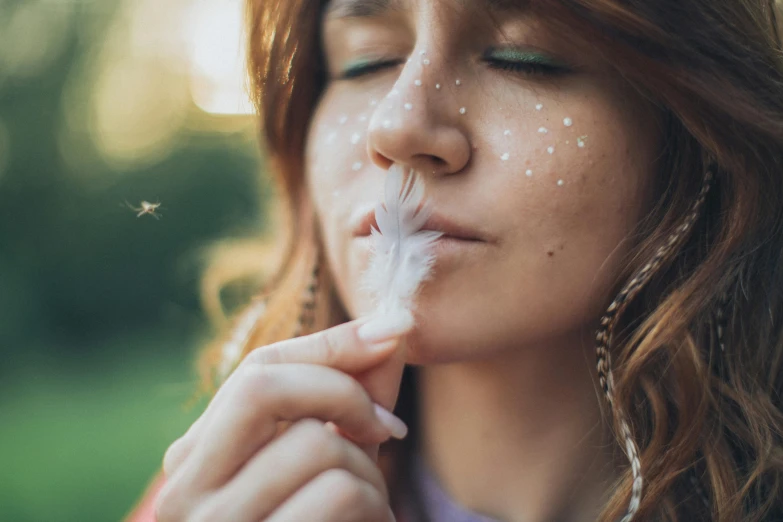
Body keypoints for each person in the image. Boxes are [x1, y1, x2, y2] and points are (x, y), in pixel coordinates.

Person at [125, 0, 783, 520]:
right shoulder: (219, 501)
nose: (398, 125)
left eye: (525, 57)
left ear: (697, 135)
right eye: (365, 62)